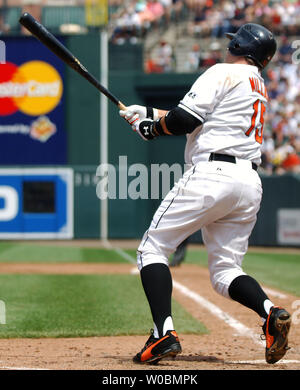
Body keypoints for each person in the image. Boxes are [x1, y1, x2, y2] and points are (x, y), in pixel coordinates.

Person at [119, 23, 291, 365]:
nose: (227, 48)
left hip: (213, 174)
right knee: (225, 270)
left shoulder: (224, 71)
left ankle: (163, 333)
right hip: (247, 181)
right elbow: (202, 121)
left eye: (232, 44)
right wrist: (149, 115)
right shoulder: (257, 84)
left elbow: (185, 120)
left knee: (153, 248)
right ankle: (270, 313)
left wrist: (150, 129)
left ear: (240, 46)